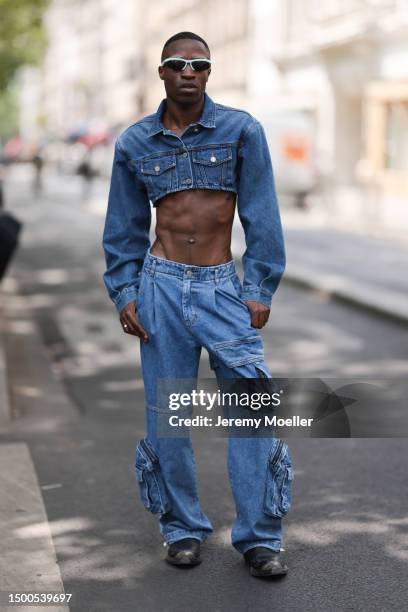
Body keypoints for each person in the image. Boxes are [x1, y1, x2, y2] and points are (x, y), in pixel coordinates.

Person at [102, 31, 294, 578]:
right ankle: (182, 529)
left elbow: (262, 213)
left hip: (221, 287)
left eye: (199, 64)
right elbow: (123, 228)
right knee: (169, 416)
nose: (189, 71)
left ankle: (259, 538)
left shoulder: (241, 130)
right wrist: (126, 290)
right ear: (160, 72)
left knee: (252, 410)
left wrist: (259, 286)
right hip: (159, 285)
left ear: (209, 73)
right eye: (177, 63)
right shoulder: (134, 142)